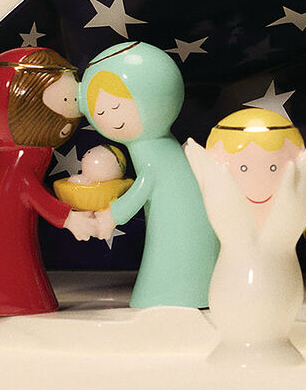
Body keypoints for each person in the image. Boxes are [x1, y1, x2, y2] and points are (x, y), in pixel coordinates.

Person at [79, 41, 217, 308]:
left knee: (170, 256)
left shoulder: (153, 152)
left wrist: (113, 215)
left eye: (116, 107)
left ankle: (176, 293)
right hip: (180, 224)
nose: (110, 118)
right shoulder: (160, 147)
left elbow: (145, 184)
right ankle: (184, 289)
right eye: (101, 111)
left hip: (182, 227)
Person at [0, 47, 95, 316]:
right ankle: (8, 300)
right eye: (67, 99)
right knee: (16, 274)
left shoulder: (16, 159)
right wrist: (70, 218)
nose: (76, 110)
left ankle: (3, 298)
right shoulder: (19, 164)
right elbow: (29, 191)